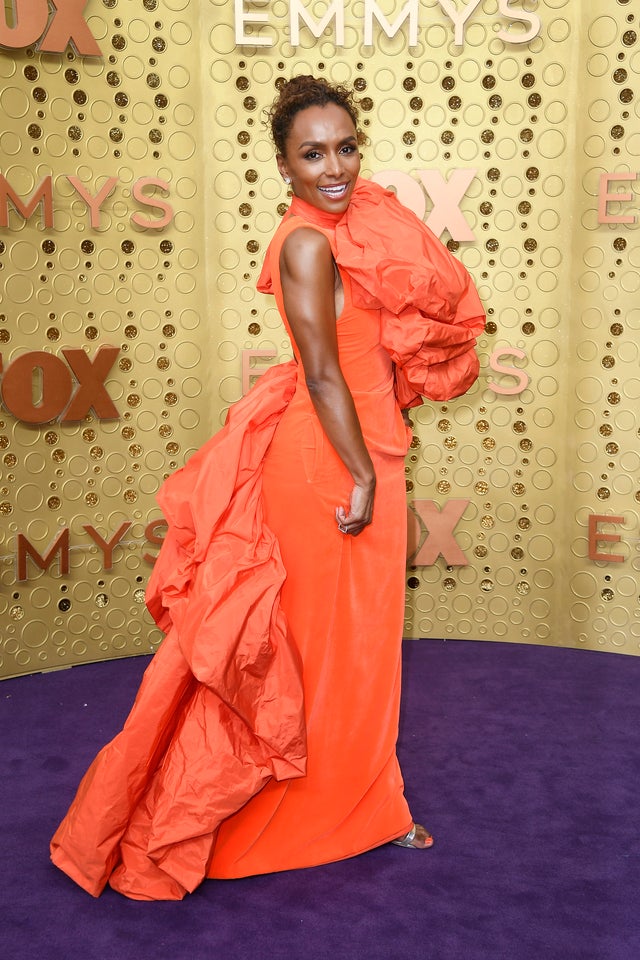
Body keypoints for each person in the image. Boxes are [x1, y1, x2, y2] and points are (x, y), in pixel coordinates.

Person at [50, 76, 485, 900]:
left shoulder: (360, 222)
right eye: (312, 153)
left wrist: (376, 456)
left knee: (357, 653)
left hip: (368, 451)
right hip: (329, 462)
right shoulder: (307, 244)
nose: (335, 166)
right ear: (282, 166)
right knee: (314, 656)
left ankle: (368, 804)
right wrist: (360, 475)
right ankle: (293, 816)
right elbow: (323, 374)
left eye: (346, 146)